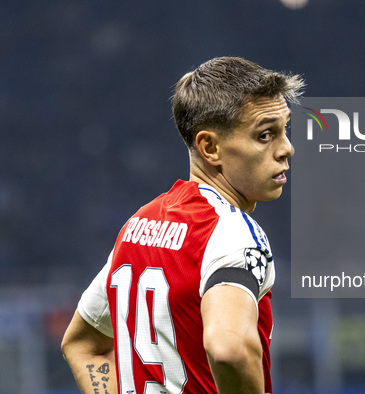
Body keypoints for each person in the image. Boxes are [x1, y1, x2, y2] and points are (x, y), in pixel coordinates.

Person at [61, 56, 304, 394]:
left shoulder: (138, 225)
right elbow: (230, 349)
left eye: (284, 130)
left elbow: (82, 344)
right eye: (265, 135)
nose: (286, 149)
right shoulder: (233, 233)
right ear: (210, 147)